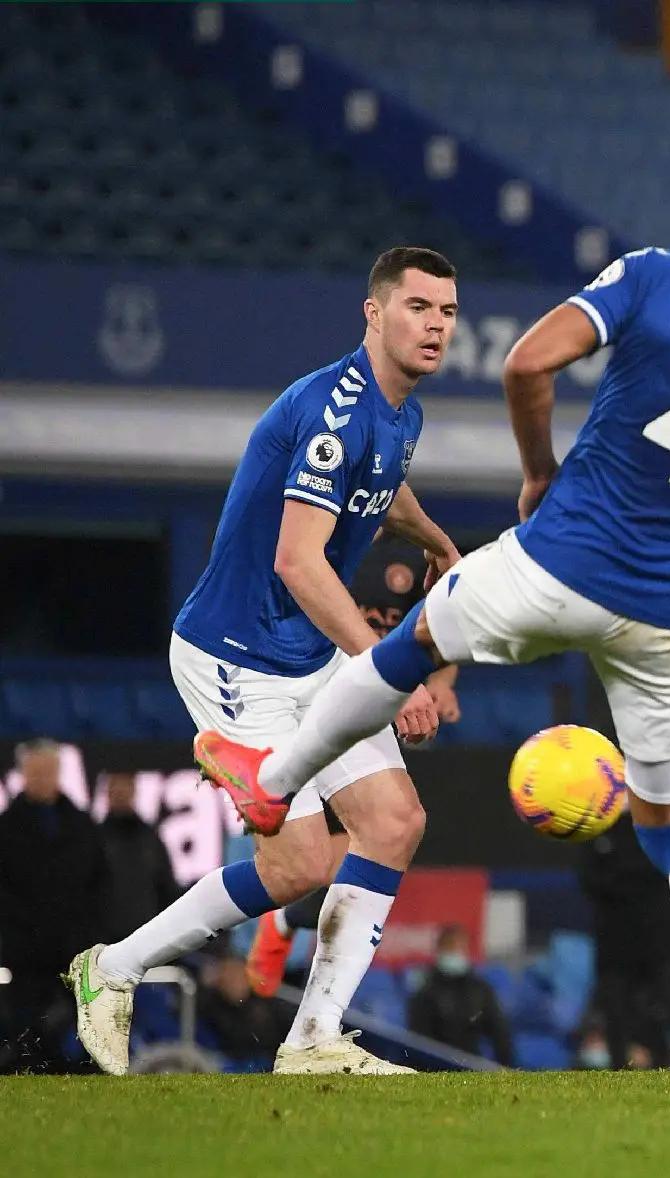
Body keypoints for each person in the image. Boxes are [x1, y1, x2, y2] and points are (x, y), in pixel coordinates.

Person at [191, 131, 670, 1103]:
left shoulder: (660, 275)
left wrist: (538, 472)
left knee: (407, 646)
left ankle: (270, 781)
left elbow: (528, 365)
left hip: (557, 559)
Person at [66, 247, 463, 1077]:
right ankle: (111, 970)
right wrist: (395, 668)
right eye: (418, 307)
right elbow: (298, 561)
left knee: (394, 822)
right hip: (235, 655)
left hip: (307, 653)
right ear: (373, 312)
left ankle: (314, 1040)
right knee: (297, 866)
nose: (435, 325)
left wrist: (432, 539)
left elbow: (379, 489)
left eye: (447, 312)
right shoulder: (332, 409)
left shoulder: (403, 414)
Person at [246, 531, 464, 997]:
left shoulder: (413, 555)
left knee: (385, 835)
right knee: (312, 854)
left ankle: (295, 938)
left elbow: (446, 633)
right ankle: (285, 925)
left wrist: (442, 682)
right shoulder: (309, 546)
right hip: (311, 700)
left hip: (382, 709)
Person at [0, 740, 110, 1072]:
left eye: (48, 771)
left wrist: (88, 933)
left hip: (73, 950)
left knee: (77, 1027)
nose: (42, 779)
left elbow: (100, 886)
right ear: (22, 774)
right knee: (27, 1030)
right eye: (36, 772)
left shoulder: (82, 826)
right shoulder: (6, 829)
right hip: (26, 955)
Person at [578, 818, 670, 1070]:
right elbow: (588, 879)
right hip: (615, 943)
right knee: (615, 1013)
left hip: (658, 941)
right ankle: (620, 1073)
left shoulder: (658, 826)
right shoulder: (597, 829)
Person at [407, 926, 514, 1065]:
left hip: (471, 1062)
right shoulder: (425, 990)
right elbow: (419, 1038)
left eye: (459, 948)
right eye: (449, 947)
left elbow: (499, 1030)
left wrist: (505, 1067)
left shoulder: (479, 989)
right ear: (439, 950)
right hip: (435, 1064)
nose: (455, 953)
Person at [96, 773, 182, 943]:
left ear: (134, 791)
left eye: (125, 787)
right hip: (102, 940)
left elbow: (166, 889)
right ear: (107, 793)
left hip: (144, 938)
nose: (120, 793)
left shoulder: (151, 839)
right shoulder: (94, 839)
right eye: (115, 788)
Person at [199, 952, 287, 1070]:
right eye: (229, 975)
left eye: (238, 976)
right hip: (217, 1061)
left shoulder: (266, 1008)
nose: (233, 982)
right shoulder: (209, 1005)